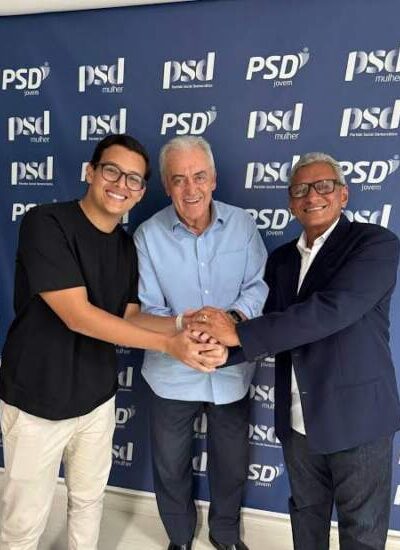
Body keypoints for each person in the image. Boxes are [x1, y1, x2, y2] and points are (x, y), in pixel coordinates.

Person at [0, 134, 226, 550]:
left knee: (88, 502)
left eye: (134, 179)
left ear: (141, 192)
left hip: (97, 399)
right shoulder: (46, 222)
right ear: (90, 172)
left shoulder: (125, 246)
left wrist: (183, 324)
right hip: (37, 399)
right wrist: (168, 346)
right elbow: (77, 314)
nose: (122, 184)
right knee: (23, 522)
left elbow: (130, 315)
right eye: (112, 171)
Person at [190, 152, 400, 550]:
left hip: (359, 421)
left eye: (324, 186)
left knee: (363, 532)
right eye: (301, 190)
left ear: (343, 195)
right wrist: (222, 353)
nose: (312, 196)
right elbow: (268, 323)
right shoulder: (282, 259)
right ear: (290, 203)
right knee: (305, 518)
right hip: (298, 423)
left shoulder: (374, 244)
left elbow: (330, 312)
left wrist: (236, 335)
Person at [134, 136, 268, 550]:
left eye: (198, 176)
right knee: (170, 465)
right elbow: (148, 307)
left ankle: (225, 535)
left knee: (231, 465)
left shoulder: (242, 225)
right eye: (178, 179)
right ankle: (179, 538)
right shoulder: (147, 236)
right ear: (167, 186)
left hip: (230, 370)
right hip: (171, 372)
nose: (190, 188)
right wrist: (189, 338)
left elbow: (257, 286)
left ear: (213, 179)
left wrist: (230, 324)